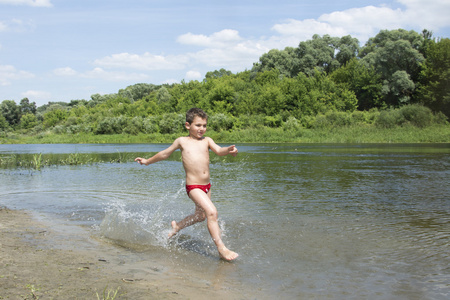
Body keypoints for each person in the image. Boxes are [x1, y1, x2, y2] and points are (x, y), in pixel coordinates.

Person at [135, 108, 239, 261]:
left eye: (204, 125)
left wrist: (229, 151)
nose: (201, 129)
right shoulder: (182, 141)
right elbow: (165, 153)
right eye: (198, 125)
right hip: (194, 187)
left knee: (200, 216)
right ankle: (221, 249)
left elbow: (219, 150)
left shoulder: (207, 140)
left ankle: (177, 226)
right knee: (212, 213)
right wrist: (147, 161)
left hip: (206, 187)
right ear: (187, 125)